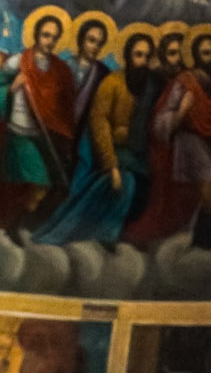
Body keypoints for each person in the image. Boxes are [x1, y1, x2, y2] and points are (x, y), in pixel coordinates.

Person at [36, 27, 158, 245]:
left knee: (142, 186)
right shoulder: (112, 82)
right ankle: (99, 234)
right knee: (122, 182)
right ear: (128, 55)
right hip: (102, 148)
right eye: (138, 55)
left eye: (147, 56)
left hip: (135, 152)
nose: (143, 61)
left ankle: (115, 233)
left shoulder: (150, 86)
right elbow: (99, 124)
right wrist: (111, 166)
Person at [126, 26, 211, 247]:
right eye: (204, 53)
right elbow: (160, 121)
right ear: (196, 55)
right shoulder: (184, 81)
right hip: (190, 140)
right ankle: (202, 239)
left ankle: (210, 231)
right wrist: (181, 111)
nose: (210, 58)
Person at [0, 13, 75, 214]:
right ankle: (16, 218)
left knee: (39, 182)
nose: (49, 41)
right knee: (37, 180)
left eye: (54, 37)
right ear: (36, 35)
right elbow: (1, 83)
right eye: (45, 35)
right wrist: (12, 87)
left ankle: (19, 218)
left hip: (43, 132)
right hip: (18, 130)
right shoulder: (19, 61)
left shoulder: (59, 69)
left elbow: (64, 102)